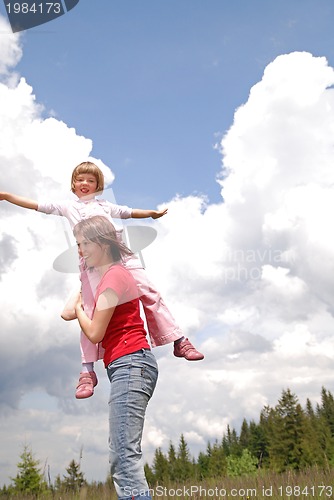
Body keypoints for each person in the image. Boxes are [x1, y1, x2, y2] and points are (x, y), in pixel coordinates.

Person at [0, 161, 204, 398]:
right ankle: (87, 371)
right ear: (73, 185)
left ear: (98, 186)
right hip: (91, 261)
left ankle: (178, 340)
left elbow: (129, 212)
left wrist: (151, 213)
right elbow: (37, 205)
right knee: (89, 309)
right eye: (80, 179)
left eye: (91, 180)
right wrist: (6, 195)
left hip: (120, 253)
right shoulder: (67, 207)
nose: (85, 183)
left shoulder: (105, 205)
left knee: (149, 292)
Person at [73, 215, 157, 500]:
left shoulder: (114, 277)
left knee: (123, 456)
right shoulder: (108, 278)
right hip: (128, 364)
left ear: (102, 243)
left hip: (131, 362)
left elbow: (95, 332)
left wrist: (80, 311)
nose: (80, 251)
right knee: (122, 453)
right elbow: (65, 311)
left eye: (84, 244)